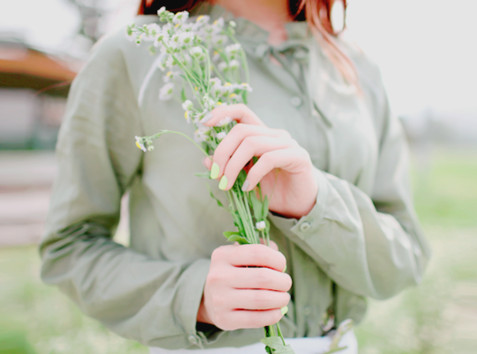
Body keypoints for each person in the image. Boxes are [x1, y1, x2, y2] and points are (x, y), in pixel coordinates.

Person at [40, 0, 431, 352]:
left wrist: (314, 205)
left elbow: (406, 257)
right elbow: (69, 249)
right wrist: (194, 297)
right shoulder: (134, 55)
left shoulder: (356, 67)